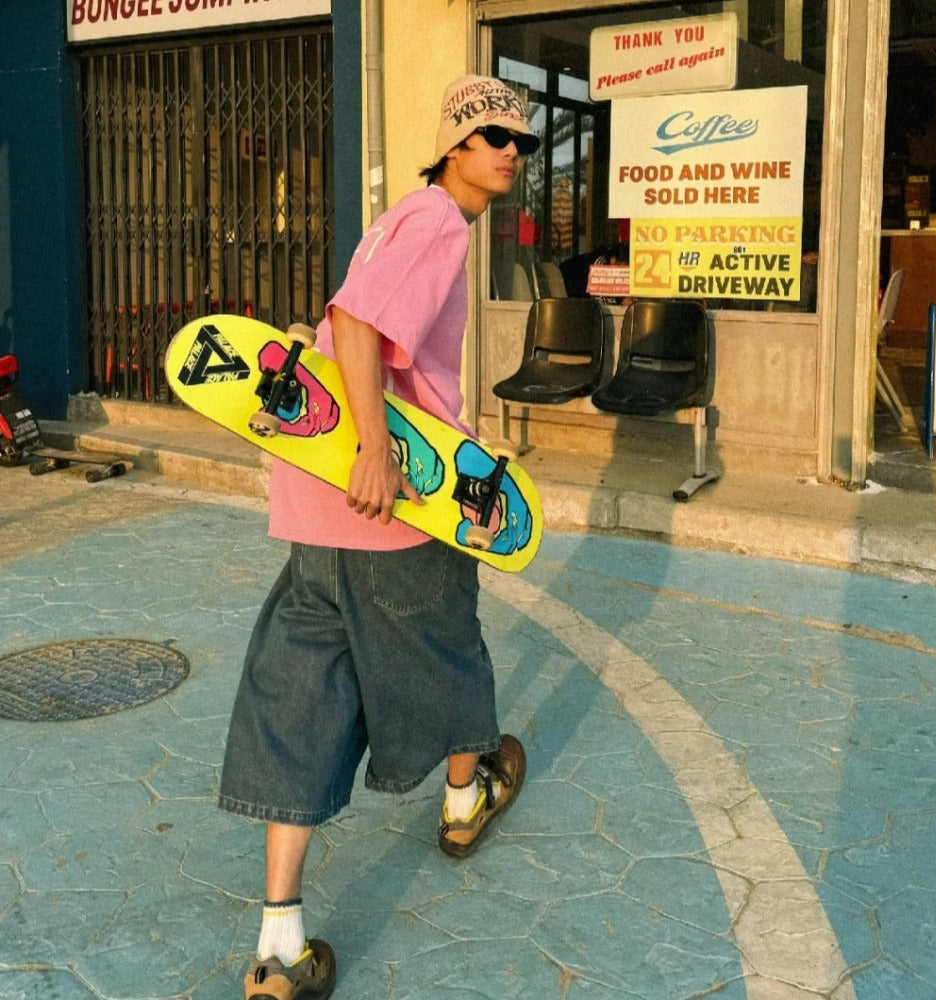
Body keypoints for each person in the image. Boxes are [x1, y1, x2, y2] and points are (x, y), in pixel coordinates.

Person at [218, 75, 541, 1000]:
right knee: (445, 651)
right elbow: (361, 325)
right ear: (451, 145)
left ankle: (279, 945)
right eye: (490, 135)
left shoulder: (400, 221)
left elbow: (338, 326)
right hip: (387, 507)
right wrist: (374, 450)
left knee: (301, 705)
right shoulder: (437, 223)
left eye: (519, 139)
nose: (509, 150)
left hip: (314, 516)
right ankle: (463, 797)